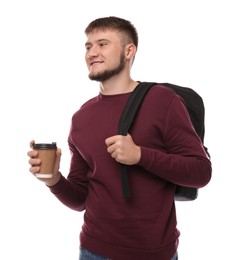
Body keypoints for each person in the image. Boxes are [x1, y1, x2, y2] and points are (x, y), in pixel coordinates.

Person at [27, 16, 212, 260]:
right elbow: (81, 197)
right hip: (92, 251)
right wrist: (53, 180)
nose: (92, 52)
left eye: (102, 44)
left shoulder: (162, 101)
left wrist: (141, 156)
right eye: (88, 46)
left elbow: (201, 172)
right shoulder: (81, 118)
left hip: (154, 254)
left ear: (129, 51)